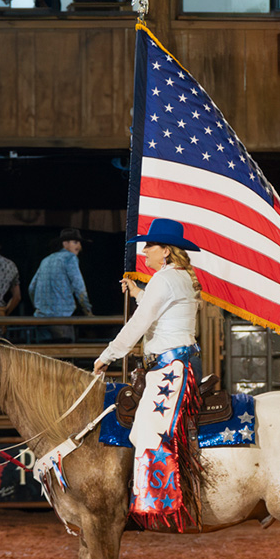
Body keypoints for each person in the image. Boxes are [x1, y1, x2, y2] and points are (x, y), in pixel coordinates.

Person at [93, 218, 202, 529]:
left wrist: (108, 355)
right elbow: (162, 311)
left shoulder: (163, 280)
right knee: (144, 427)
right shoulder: (178, 277)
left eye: (149, 247)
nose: (144, 252)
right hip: (174, 365)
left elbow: (139, 323)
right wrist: (139, 293)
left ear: (165, 251)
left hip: (169, 369)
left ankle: (158, 505)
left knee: (150, 430)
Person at [29, 228, 94, 341]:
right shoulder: (70, 258)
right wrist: (87, 310)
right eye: (75, 242)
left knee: (43, 350)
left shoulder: (46, 260)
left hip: (41, 318)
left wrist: (39, 306)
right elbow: (79, 286)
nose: (79, 246)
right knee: (64, 350)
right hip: (61, 317)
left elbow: (31, 288)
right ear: (65, 243)